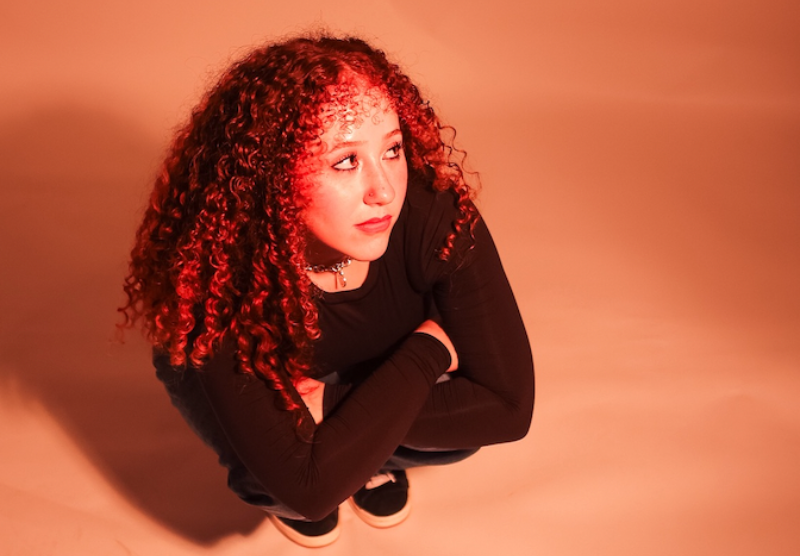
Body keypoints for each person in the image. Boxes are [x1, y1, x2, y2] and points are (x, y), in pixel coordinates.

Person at [120, 33, 534, 548]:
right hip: (271, 379)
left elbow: (508, 409)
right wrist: (429, 349)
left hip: (344, 383)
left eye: (392, 150)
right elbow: (307, 491)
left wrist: (333, 404)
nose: (384, 191)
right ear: (272, 174)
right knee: (282, 485)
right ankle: (352, 450)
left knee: (458, 435)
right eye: (345, 162)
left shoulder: (435, 215)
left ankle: (362, 457)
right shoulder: (221, 271)